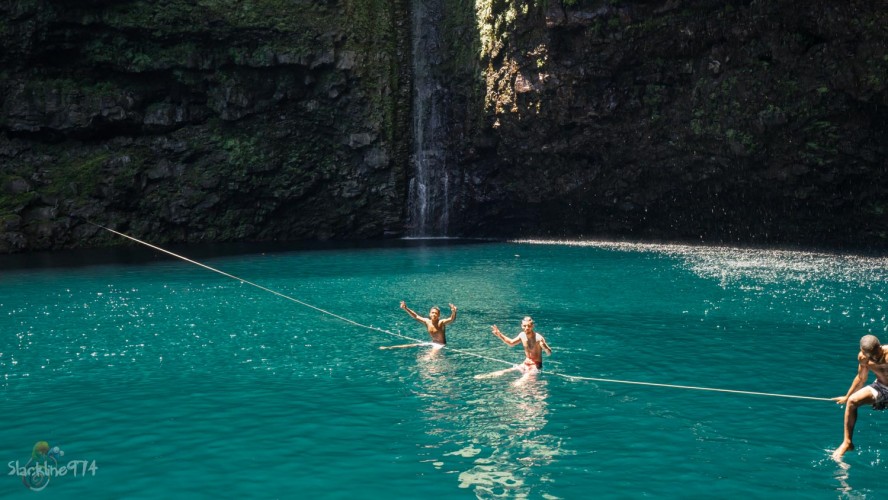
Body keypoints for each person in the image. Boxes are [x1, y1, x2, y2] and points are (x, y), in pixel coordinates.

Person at [832, 334, 888, 459]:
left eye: (876, 353)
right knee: (852, 401)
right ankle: (847, 442)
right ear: (863, 352)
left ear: (880, 347)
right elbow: (861, 378)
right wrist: (847, 397)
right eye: (870, 355)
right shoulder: (863, 358)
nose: (874, 357)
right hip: (881, 387)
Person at [476, 316, 552, 381]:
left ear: (532, 326)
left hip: (535, 366)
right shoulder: (522, 335)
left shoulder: (539, 338)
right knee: (502, 372)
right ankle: (485, 377)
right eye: (524, 326)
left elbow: (549, 353)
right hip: (525, 364)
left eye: (529, 326)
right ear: (521, 326)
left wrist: (545, 346)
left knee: (519, 382)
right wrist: (499, 335)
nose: (526, 328)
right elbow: (511, 343)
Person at [380, 301, 457, 350]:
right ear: (429, 314)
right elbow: (416, 316)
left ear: (439, 315)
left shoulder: (441, 322)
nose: (433, 314)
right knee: (409, 345)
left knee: (429, 356)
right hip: (433, 343)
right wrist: (406, 308)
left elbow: (451, 319)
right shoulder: (427, 322)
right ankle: (389, 347)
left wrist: (453, 312)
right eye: (432, 312)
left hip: (440, 345)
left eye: (436, 313)